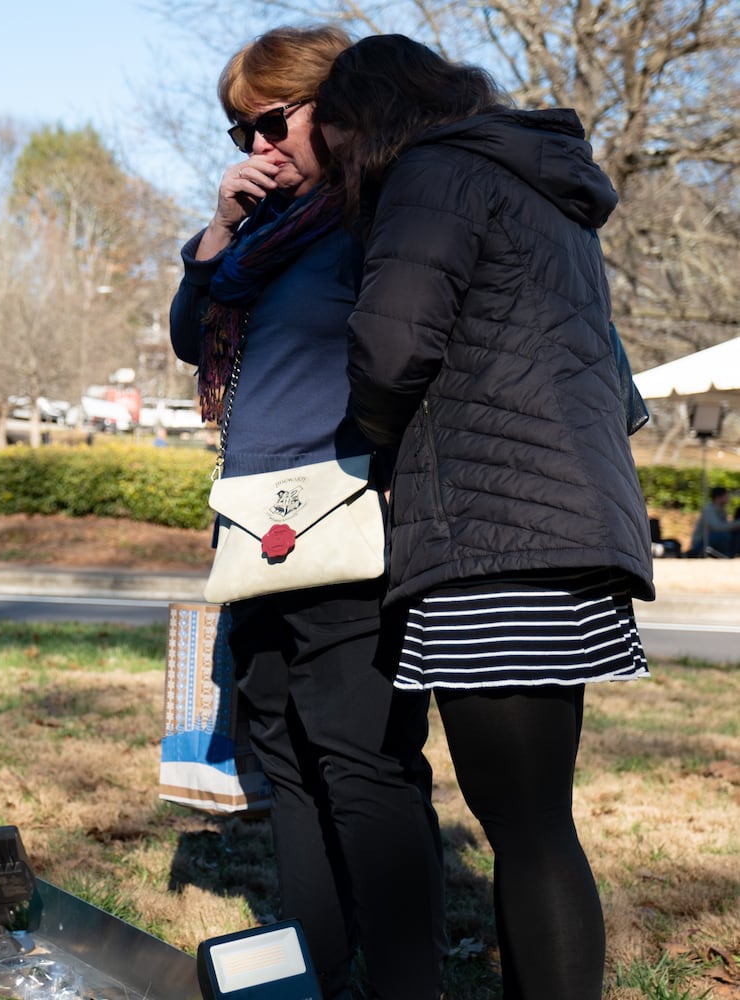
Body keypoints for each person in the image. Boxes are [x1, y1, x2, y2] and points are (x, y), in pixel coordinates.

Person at [313, 35, 656, 1000]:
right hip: (565, 522)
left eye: (337, 145)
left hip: (493, 535)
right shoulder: (540, 192)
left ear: (371, 117)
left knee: (529, 827)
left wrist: (370, 440)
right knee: (537, 819)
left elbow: (388, 348)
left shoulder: (433, 174)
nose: (339, 167)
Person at [168, 25, 445, 1000]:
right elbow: (186, 334)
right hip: (256, 525)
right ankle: (316, 973)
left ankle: (408, 980)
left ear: (334, 104)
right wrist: (214, 242)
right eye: (239, 131)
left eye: (271, 122)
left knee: (363, 758)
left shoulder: (383, 213)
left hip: (353, 515)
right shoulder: (256, 238)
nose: (256, 148)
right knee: (283, 755)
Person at [690, 486, 737, 557]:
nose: (729, 498)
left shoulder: (722, 510)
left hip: (713, 540)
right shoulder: (708, 509)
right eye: (726, 496)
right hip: (701, 542)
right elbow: (717, 527)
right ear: (718, 497)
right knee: (723, 535)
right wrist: (737, 524)